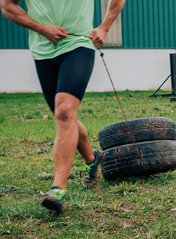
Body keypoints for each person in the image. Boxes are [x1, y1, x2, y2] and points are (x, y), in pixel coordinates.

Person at [1, 0, 126, 213]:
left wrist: (104, 27)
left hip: (78, 45)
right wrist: (41, 28)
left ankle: (57, 190)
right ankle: (92, 158)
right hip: (42, 51)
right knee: (65, 118)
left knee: (64, 110)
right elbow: (7, 6)